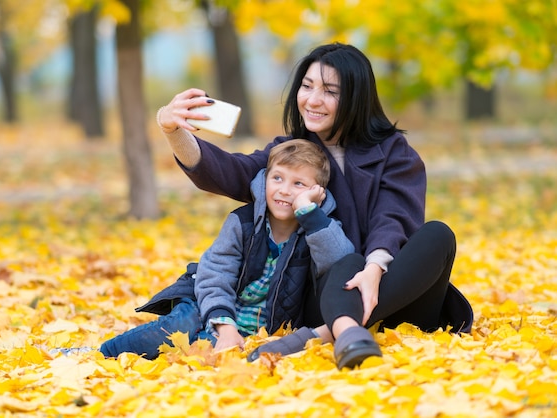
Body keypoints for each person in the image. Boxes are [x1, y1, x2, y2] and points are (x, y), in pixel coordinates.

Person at [154, 42, 473, 369]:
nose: (313, 100)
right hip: (325, 296)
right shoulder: (294, 153)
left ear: (356, 98)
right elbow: (232, 172)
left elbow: (393, 221)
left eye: (330, 91)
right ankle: (342, 327)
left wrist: (374, 271)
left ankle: (324, 334)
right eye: (307, 86)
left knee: (438, 235)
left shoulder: (395, 153)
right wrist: (173, 130)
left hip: (397, 298)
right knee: (347, 262)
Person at [99, 140, 356, 359]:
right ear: (265, 179)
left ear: (317, 193)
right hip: (209, 306)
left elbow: (339, 261)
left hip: (254, 330)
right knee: (179, 325)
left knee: (202, 354)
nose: (284, 190)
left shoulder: (319, 229)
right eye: (277, 178)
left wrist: (309, 213)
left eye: (298, 184)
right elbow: (215, 275)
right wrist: (224, 325)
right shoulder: (242, 223)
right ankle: (100, 354)